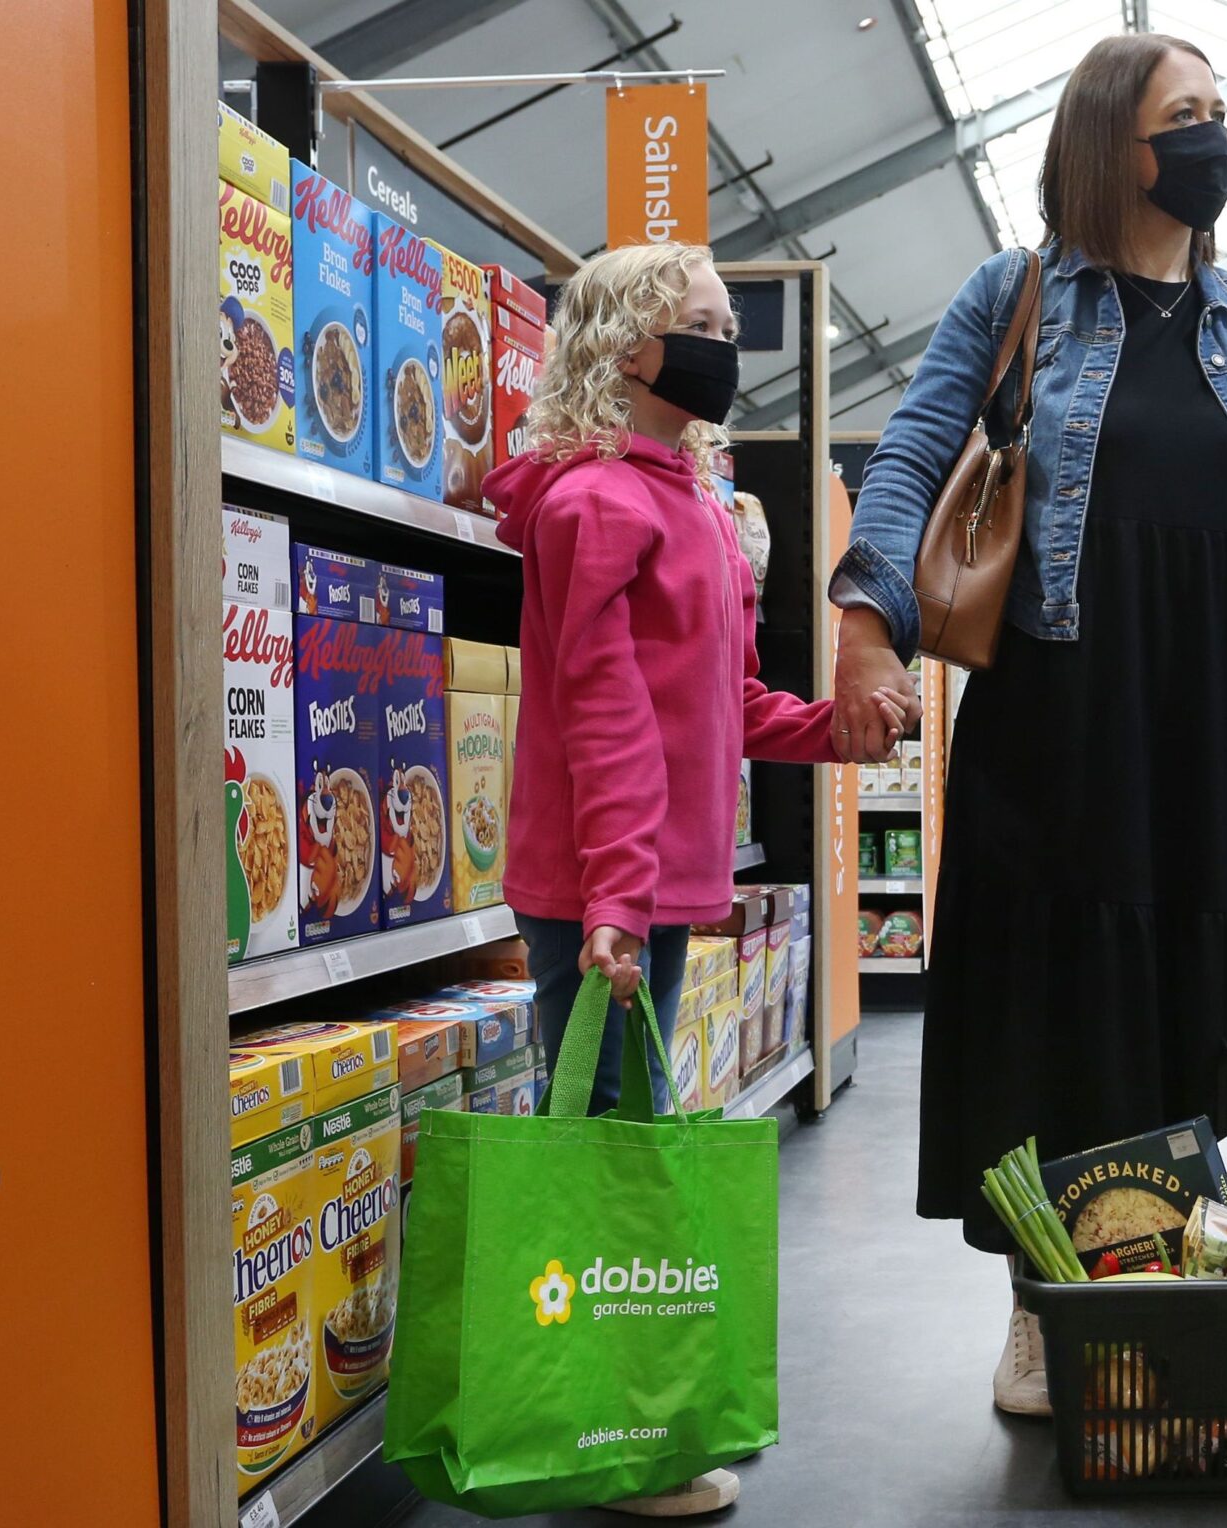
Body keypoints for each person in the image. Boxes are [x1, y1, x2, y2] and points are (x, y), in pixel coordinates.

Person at [831, 33, 1227, 1415]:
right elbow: (912, 451)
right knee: (1051, 1010)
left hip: (1193, 724)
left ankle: (1174, 1298)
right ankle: (1041, 1308)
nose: (1214, 141)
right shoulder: (1020, 300)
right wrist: (864, 624)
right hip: (1055, 722)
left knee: (1191, 1006)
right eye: (1188, 117)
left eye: (1223, 116)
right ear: (1111, 141)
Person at [484, 241, 903, 1515]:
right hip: (600, 884)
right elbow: (603, 716)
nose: (733, 347)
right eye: (710, 325)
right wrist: (614, 899)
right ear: (628, 349)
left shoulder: (694, 503)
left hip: (652, 878)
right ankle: (616, 1437)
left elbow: (715, 706)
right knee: (615, 1144)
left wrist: (830, 728)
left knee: (631, 1137)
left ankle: (638, 1398)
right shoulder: (593, 505)